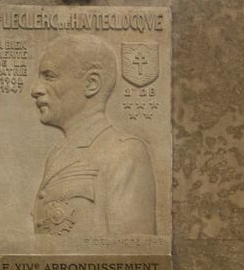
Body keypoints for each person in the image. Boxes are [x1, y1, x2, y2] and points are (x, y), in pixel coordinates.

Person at [29, 34, 156, 237]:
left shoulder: (125, 152)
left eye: (49, 76)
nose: (35, 90)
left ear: (91, 84)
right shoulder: (58, 153)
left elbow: (134, 253)